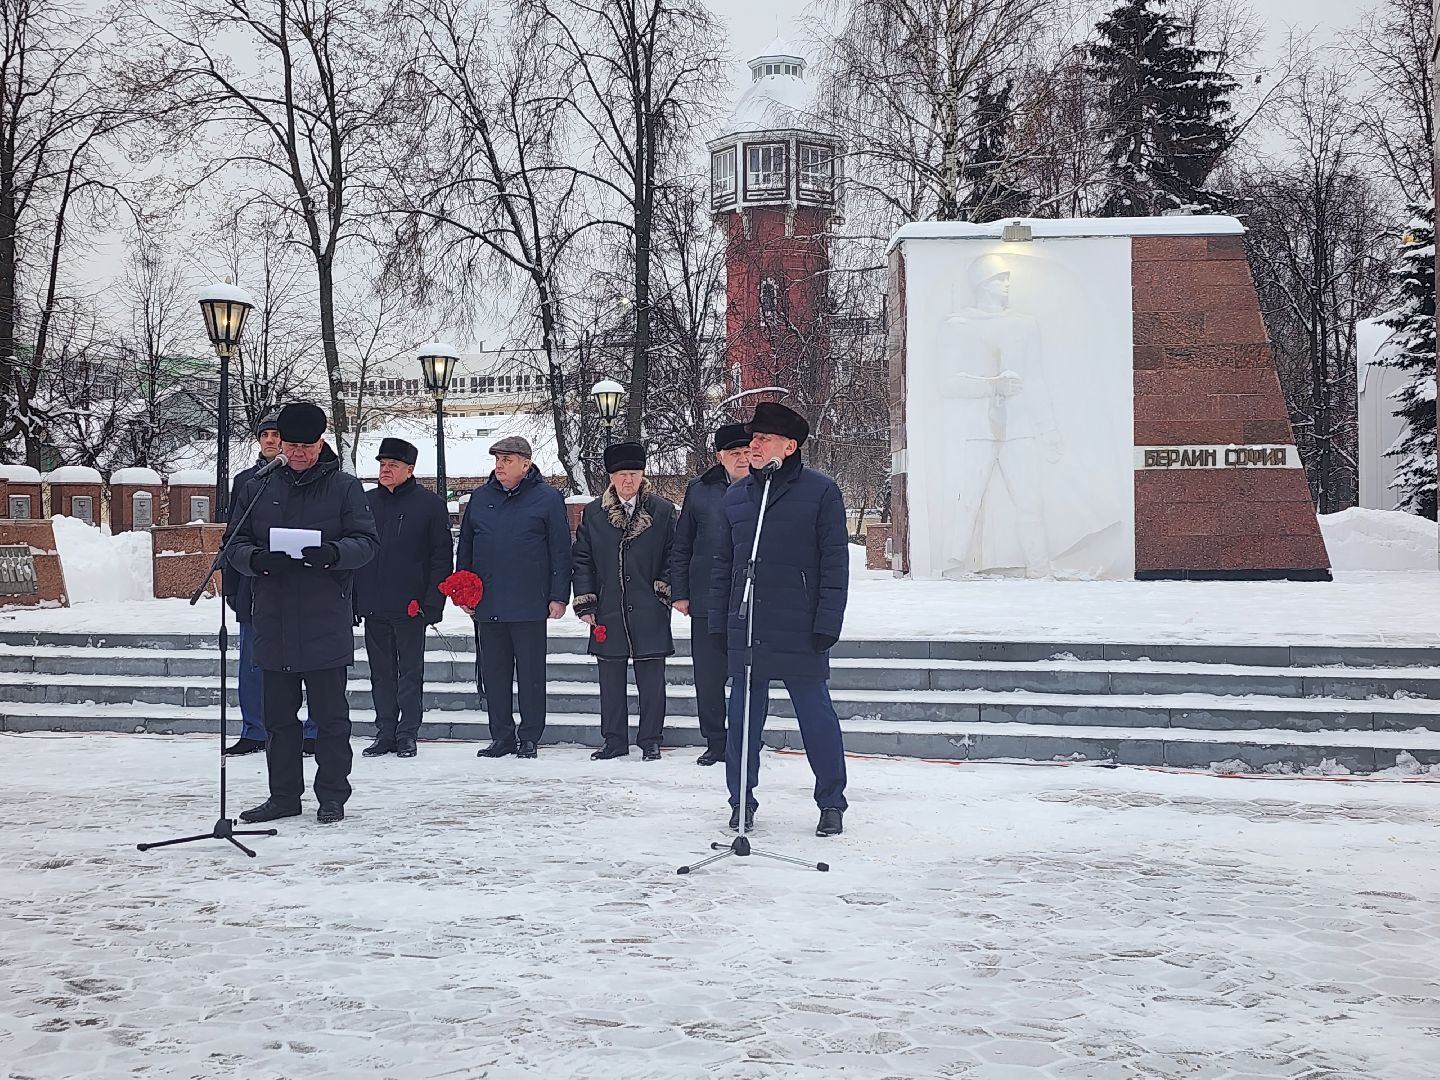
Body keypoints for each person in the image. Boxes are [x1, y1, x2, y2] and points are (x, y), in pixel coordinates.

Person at [227, 402, 378, 825]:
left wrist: (332, 553)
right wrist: (256, 560)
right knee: (278, 719)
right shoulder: (257, 485)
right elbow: (232, 545)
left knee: (330, 719)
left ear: (321, 443)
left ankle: (332, 796)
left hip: (323, 617)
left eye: (306, 447)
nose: (297, 454)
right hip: (272, 618)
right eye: (291, 446)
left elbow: (367, 543)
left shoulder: (344, 488)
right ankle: (283, 796)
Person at [710, 402, 850, 837]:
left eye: (763, 438)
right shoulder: (736, 495)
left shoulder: (821, 492)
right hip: (748, 627)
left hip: (801, 627)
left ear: (789, 446)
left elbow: (835, 563)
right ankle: (741, 801)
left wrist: (828, 621)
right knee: (743, 725)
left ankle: (831, 802)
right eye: (752, 438)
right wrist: (719, 622)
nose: (753, 445)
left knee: (817, 719)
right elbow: (723, 565)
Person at [455, 435, 571, 759]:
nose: (500, 466)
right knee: (494, 673)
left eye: (507, 460)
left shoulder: (547, 498)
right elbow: (465, 548)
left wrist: (559, 595)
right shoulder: (479, 498)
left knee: (531, 674)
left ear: (526, 463)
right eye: (497, 460)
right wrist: (462, 589)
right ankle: (501, 736)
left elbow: (560, 551)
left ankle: (530, 735)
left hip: (530, 603)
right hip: (488, 603)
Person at [572, 441, 676, 761]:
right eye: (621, 475)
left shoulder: (662, 510)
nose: (627, 481)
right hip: (609, 606)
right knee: (611, 679)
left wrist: (664, 589)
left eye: (633, 473)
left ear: (643, 474)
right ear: (611, 477)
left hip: (649, 605)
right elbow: (582, 559)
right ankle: (614, 740)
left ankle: (650, 740)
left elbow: (675, 554)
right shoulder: (594, 512)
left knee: (652, 679)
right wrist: (587, 602)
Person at [222, 410, 313, 757]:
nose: (272, 441)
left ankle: (312, 730)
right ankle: (254, 728)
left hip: (307, 586)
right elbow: (235, 534)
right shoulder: (248, 480)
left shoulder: (316, 478)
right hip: (255, 585)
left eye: (278, 435)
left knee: (311, 664)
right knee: (253, 663)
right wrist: (232, 584)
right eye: (266, 436)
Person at [354, 437, 452, 760]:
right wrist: (354, 600)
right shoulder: (365, 502)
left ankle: (407, 732)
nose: (385, 470)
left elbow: (440, 558)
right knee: (380, 673)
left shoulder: (430, 505)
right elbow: (356, 553)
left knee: (409, 672)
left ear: (409, 469)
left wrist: (432, 603)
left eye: (392, 465)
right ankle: (385, 731)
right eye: (382, 465)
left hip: (412, 606)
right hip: (374, 603)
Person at [669, 423, 751, 765]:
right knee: (708, 674)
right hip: (706, 597)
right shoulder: (699, 490)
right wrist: (681, 592)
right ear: (720, 456)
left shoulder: (766, 485)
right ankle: (716, 740)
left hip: (749, 598)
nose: (743, 459)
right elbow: (682, 543)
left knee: (747, 675)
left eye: (748, 452)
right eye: (735, 453)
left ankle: (747, 738)